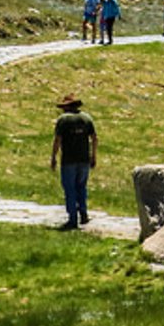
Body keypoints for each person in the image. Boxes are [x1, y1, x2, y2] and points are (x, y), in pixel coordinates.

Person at [50, 93, 98, 230]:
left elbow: (57, 140)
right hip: (84, 159)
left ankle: (72, 219)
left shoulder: (63, 120)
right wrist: (93, 156)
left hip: (69, 160)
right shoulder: (87, 118)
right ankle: (83, 213)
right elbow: (94, 138)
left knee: (70, 189)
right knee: (81, 187)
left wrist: (53, 157)